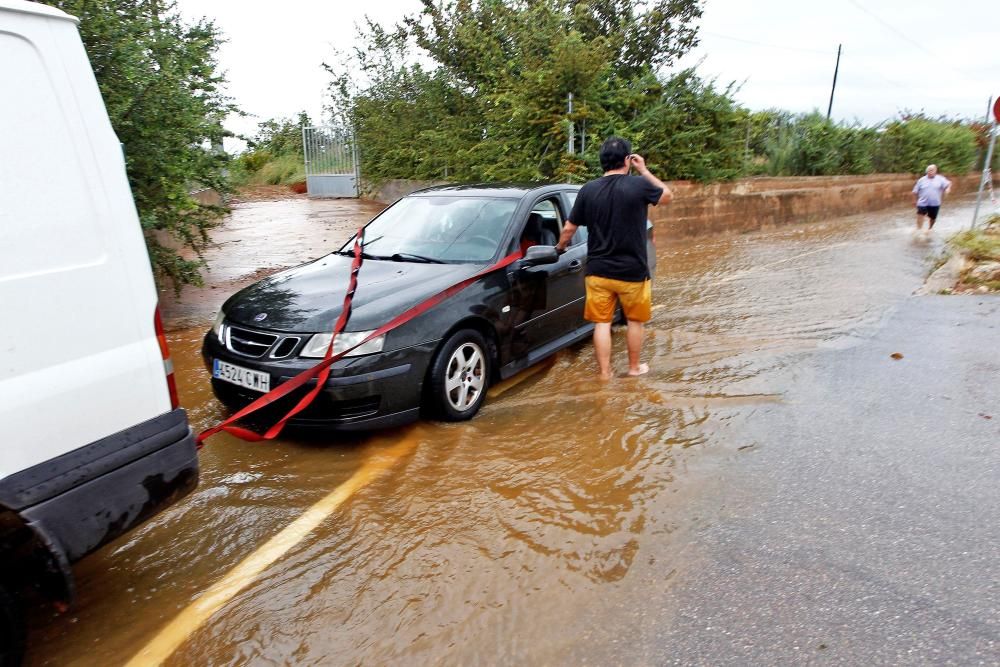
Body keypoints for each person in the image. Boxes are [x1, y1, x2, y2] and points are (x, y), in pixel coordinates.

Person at [555, 136, 672, 380]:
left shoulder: (588, 190)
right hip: (633, 271)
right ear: (627, 160)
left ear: (602, 162)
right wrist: (644, 169)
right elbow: (667, 196)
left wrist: (559, 248)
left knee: (602, 323)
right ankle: (633, 368)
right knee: (635, 322)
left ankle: (605, 373)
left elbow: (568, 229)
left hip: (598, 271)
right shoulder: (639, 186)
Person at [912, 164, 952, 232]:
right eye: (930, 170)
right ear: (927, 171)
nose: (931, 172)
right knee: (920, 215)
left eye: (933, 170)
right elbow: (914, 191)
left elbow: (949, 183)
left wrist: (948, 189)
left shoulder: (940, 179)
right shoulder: (921, 180)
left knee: (933, 218)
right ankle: (919, 231)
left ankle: (930, 228)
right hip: (922, 202)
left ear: (936, 171)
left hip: (935, 203)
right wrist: (914, 201)